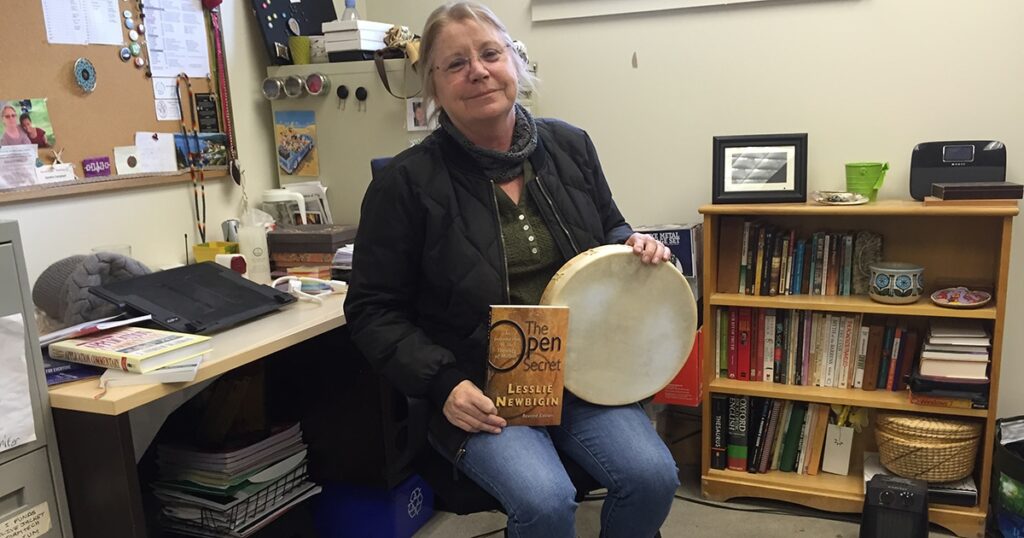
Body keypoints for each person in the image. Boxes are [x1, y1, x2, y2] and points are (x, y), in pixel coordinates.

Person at [343, 3, 679, 537]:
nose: (477, 71)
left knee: (654, 477)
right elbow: (372, 311)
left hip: (583, 374)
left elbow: (609, 229)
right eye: (454, 64)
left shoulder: (570, 145)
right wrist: (444, 383)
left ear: (515, 65)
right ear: (432, 85)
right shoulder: (405, 185)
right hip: (482, 386)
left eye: (489, 54)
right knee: (545, 502)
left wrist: (633, 245)